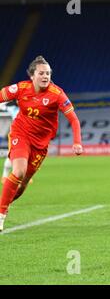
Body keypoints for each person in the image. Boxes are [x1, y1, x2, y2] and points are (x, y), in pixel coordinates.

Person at [0, 56, 83, 231]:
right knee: (19, 171)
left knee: (21, 186)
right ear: (32, 75)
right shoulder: (21, 88)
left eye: (48, 73)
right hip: (20, 134)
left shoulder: (57, 94)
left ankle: (3, 203)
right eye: (41, 73)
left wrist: (77, 142)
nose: (45, 76)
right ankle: (1, 213)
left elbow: (73, 119)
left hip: (41, 145)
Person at [1, 102, 19, 184]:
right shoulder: (13, 109)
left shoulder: (28, 108)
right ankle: (4, 176)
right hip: (15, 135)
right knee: (11, 155)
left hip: (27, 135)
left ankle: (24, 177)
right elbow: (2, 105)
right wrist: (6, 101)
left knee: (26, 157)